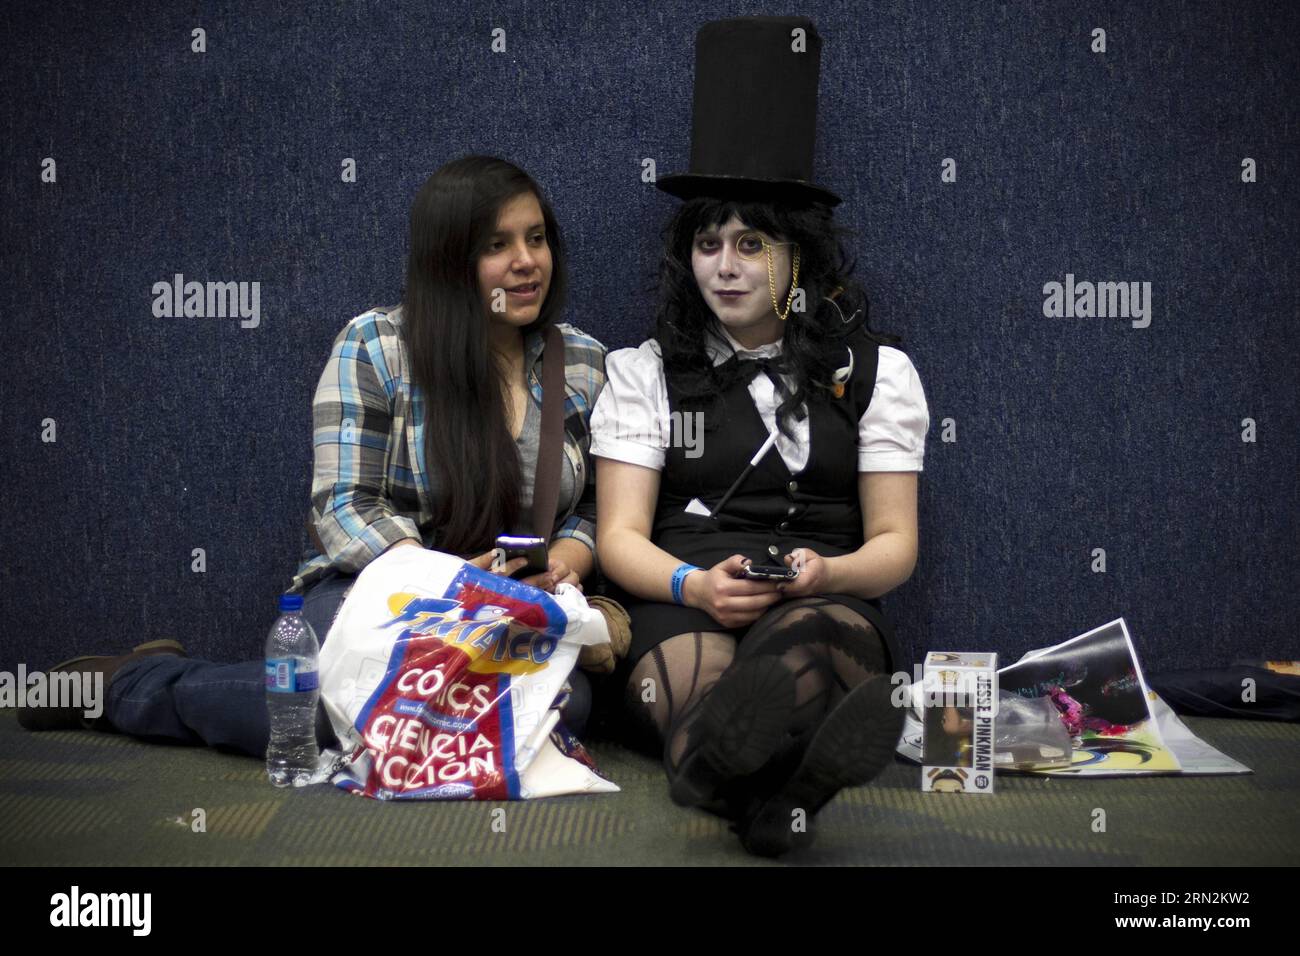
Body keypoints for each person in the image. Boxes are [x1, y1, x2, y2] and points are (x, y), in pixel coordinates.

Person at [19, 155, 609, 755]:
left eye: (536, 239)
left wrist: (562, 565)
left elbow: (589, 506)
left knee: (570, 704)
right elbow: (344, 505)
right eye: (497, 245)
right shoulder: (377, 348)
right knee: (345, 709)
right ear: (449, 262)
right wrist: (450, 585)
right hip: (374, 591)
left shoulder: (581, 361)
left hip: (508, 605)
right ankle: (133, 685)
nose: (526, 261)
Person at [589, 17, 930, 856]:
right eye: (708, 244)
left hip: (824, 597)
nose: (726, 266)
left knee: (808, 654)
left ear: (798, 258)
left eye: (752, 244)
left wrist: (829, 571)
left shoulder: (880, 373)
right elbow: (618, 537)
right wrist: (694, 586)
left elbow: (895, 544)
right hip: (683, 601)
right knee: (698, 685)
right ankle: (775, 795)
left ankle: (716, 781)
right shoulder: (645, 372)